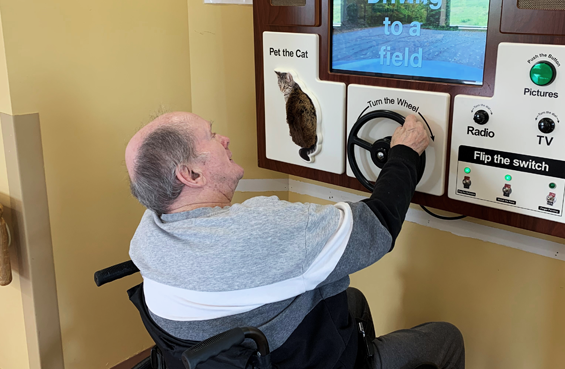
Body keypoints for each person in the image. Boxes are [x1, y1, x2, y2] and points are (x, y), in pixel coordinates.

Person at [125, 111, 465, 369]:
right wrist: (405, 152)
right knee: (447, 338)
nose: (225, 138)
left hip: (229, 352)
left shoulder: (149, 232)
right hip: (291, 359)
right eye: (211, 136)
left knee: (351, 300)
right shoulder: (262, 229)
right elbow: (376, 228)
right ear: (192, 175)